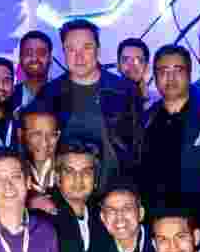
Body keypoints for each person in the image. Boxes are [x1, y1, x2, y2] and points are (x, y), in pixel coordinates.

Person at [33, 19, 137, 178]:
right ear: (63, 52)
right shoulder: (49, 94)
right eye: (71, 49)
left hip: (115, 190)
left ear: (98, 50)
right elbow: (38, 149)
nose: (79, 56)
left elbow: (137, 146)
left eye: (87, 47)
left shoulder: (124, 91)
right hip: (65, 191)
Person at [137, 44, 200, 214]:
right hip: (155, 218)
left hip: (199, 220)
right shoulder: (146, 120)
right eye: (163, 71)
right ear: (155, 76)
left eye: (178, 70)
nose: (170, 78)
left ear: (190, 74)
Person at [19, 109, 61, 195]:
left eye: (51, 134)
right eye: (36, 134)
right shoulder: (11, 172)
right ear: (20, 134)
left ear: (58, 135)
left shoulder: (67, 169)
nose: (44, 143)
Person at [12, 31, 53, 115]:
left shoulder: (65, 96)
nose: (34, 58)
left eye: (41, 53)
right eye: (28, 53)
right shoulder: (9, 97)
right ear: (20, 58)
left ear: (50, 58)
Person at [117, 37, 159, 110]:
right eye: (126, 59)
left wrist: (146, 101)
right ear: (118, 65)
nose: (131, 65)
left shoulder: (159, 102)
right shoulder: (103, 97)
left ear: (147, 67)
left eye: (138, 60)